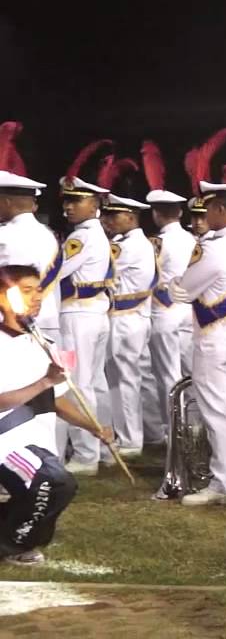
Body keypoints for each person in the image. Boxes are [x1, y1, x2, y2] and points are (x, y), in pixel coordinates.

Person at [0, 264, 112, 566]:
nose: (36, 297)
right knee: (54, 482)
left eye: (38, 290)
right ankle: (12, 544)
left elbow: (57, 400)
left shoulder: (43, 344)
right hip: (7, 444)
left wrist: (92, 426)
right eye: (26, 291)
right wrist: (45, 382)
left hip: (38, 443)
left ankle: (17, 535)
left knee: (51, 486)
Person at [167, 181, 226, 506]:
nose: (205, 214)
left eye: (208, 208)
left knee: (216, 409)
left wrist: (176, 284)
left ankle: (222, 483)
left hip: (216, 336)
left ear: (220, 208)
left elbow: (183, 289)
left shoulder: (213, 248)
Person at [0, 172, 64, 454]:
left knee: (15, 394)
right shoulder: (47, 235)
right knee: (51, 394)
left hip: (14, 325)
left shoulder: (5, 237)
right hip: (46, 322)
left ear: (6, 201)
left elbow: (7, 284)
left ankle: (15, 455)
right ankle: (53, 453)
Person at [55, 175, 113, 475]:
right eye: (67, 200)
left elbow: (56, 271)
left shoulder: (82, 237)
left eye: (76, 200)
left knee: (77, 384)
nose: (69, 206)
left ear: (94, 205)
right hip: (94, 314)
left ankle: (85, 453)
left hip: (78, 314)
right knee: (95, 383)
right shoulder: (95, 233)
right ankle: (102, 445)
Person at [100, 194, 156, 459]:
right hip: (134, 316)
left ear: (131, 217)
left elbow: (102, 270)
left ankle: (130, 439)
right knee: (132, 377)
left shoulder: (127, 246)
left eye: (115, 215)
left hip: (125, 318)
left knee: (123, 380)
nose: (109, 220)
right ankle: (142, 433)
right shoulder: (136, 243)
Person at [145, 189, 195, 444]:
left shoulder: (157, 242)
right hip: (188, 307)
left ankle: (174, 430)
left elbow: (148, 276)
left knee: (167, 373)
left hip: (164, 308)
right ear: (180, 212)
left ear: (156, 214)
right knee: (191, 372)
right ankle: (194, 426)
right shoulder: (193, 239)